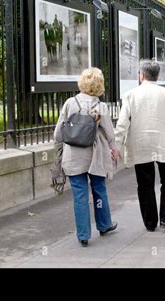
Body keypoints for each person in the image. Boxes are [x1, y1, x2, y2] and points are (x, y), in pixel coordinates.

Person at [113, 60, 165, 232]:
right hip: (164, 144)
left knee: (145, 184)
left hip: (140, 145)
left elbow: (122, 123)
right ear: (156, 75)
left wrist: (117, 145)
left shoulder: (131, 94)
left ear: (142, 75)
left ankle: (150, 222)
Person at [53, 68, 117, 247]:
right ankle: (104, 225)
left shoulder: (69, 103)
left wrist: (59, 151)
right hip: (95, 156)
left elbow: (58, 133)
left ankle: (83, 235)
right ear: (99, 85)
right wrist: (114, 148)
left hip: (73, 156)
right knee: (99, 191)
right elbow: (110, 133)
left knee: (79, 195)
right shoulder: (101, 106)